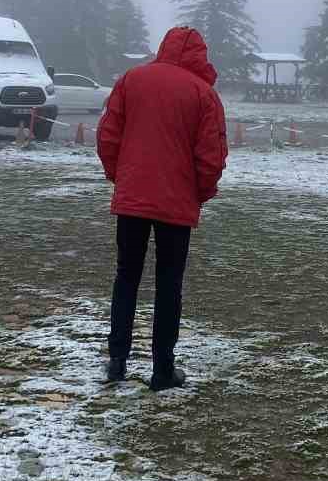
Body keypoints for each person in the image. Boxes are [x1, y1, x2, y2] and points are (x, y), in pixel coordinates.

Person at [95, 25, 228, 391]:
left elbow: (108, 135)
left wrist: (120, 177)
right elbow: (211, 156)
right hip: (176, 200)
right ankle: (162, 369)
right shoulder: (204, 95)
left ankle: (118, 361)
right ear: (201, 55)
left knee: (126, 277)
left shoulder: (131, 80)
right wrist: (200, 193)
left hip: (133, 196)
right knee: (169, 284)